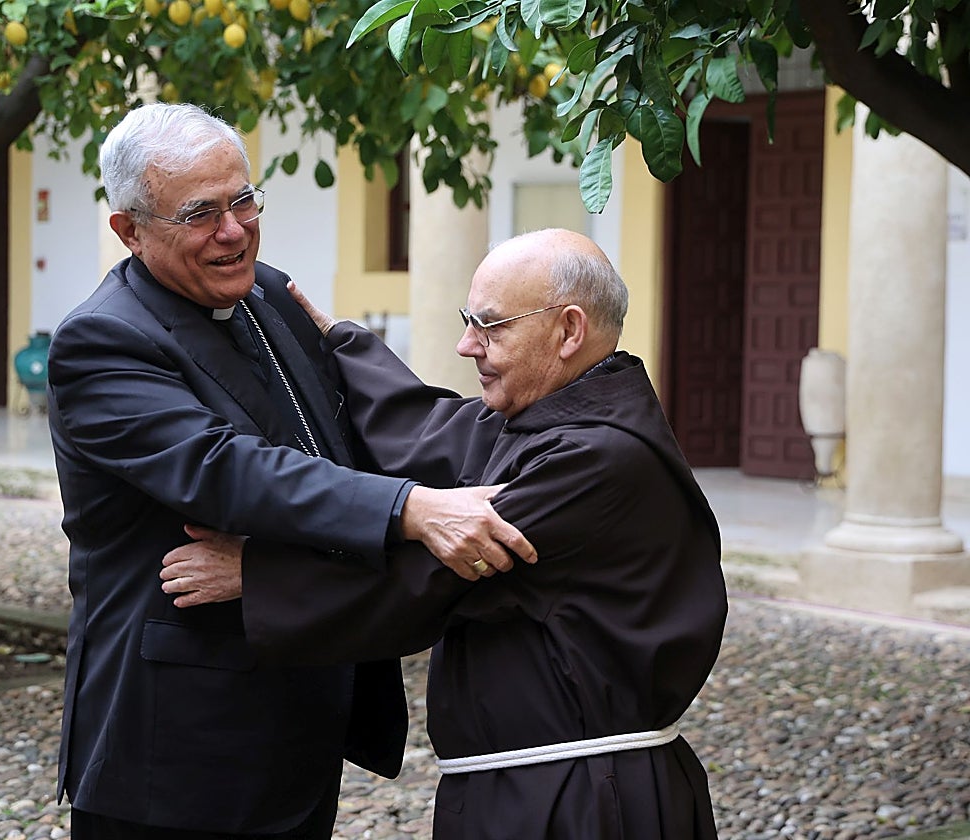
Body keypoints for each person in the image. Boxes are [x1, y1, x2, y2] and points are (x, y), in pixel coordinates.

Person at [46, 102, 535, 839]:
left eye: (243, 200)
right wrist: (412, 509)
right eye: (201, 213)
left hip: (295, 720)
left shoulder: (266, 294)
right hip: (174, 750)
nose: (234, 230)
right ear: (130, 230)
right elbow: (225, 469)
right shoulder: (102, 340)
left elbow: (337, 437)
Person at [160, 228, 728, 839]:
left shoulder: (597, 456)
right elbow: (434, 430)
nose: (466, 345)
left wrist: (258, 575)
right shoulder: (554, 415)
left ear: (568, 331)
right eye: (467, 321)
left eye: (490, 326)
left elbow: (426, 581)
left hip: (581, 800)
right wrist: (341, 345)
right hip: (536, 786)